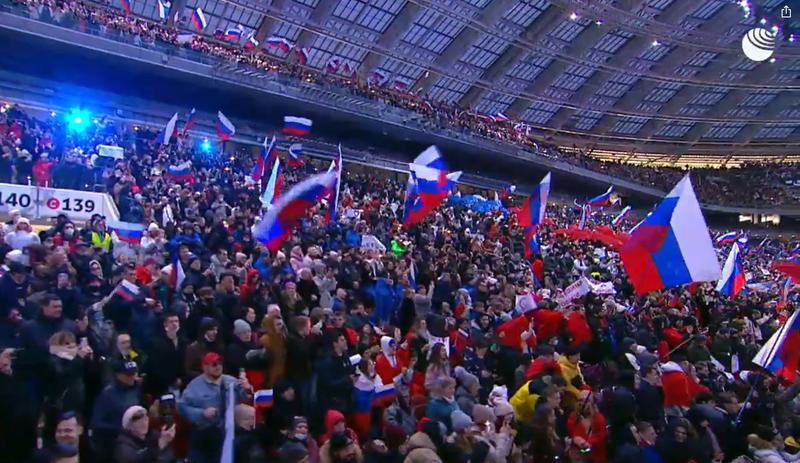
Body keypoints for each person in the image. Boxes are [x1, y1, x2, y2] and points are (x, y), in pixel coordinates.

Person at [178, 352, 252, 463]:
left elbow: (243, 396)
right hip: (204, 433)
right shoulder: (194, 386)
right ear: (205, 367)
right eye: (213, 364)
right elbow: (182, 407)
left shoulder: (230, 381)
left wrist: (247, 388)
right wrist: (202, 413)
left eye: (219, 363)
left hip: (227, 431)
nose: (218, 367)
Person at [89, 357, 142, 461]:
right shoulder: (107, 395)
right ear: (118, 375)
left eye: (134, 374)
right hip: (114, 444)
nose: (133, 377)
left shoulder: (137, 389)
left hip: (136, 440)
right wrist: (121, 427)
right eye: (129, 375)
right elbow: (96, 423)